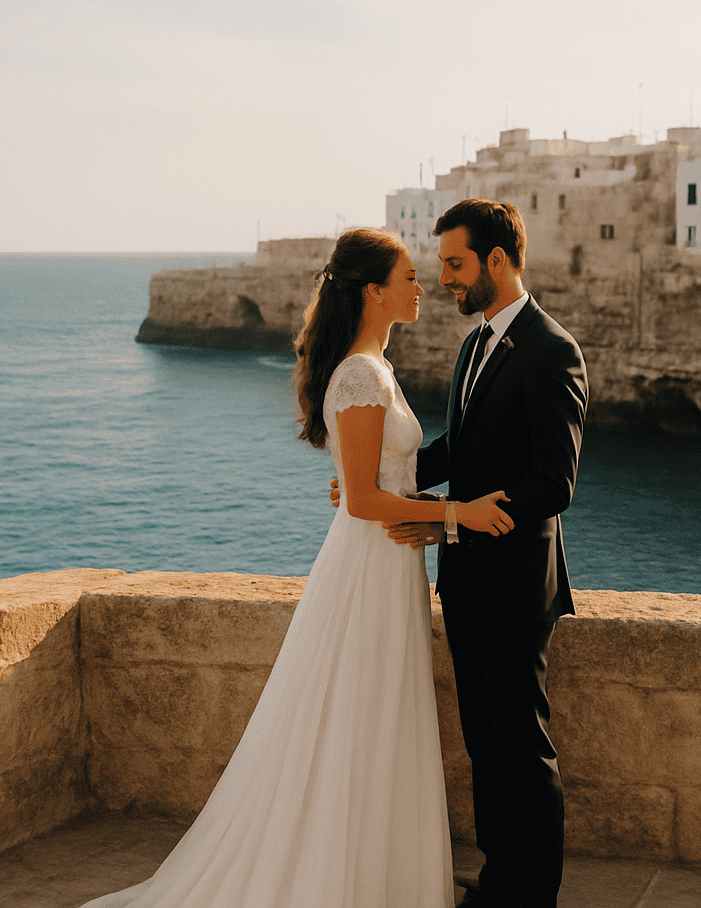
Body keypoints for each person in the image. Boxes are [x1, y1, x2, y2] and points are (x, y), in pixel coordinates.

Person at [79, 228, 513, 908]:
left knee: (376, 718)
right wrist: (459, 516)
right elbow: (367, 498)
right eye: (407, 277)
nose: (421, 286)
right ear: (374, 291)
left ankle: (372, 875)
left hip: (385, 562)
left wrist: (408, 503)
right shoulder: (363, 373)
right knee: (360, 717)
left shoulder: (370, 366)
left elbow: (365, 484)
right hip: (371, 566)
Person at [334, 199, 588, 908]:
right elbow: (462, 451)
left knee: (524, 752)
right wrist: (386, 485)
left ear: (497, 262)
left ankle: (533, 895)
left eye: (453, 263)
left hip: (516, 587)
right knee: (485, 749)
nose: (443, 277)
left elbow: (553, 485)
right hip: (468, 584)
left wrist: (446, 525)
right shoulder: (476, 344)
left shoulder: (550, 349)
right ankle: (500, 880)